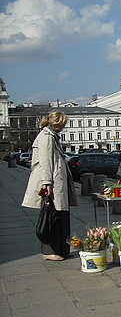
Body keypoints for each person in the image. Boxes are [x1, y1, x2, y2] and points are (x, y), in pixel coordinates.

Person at [22, 111, 78, 261]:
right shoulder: (46, 137)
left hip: (57, 181)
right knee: (53, 217)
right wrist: (47, 183)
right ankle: (50, 250)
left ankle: (62, 248)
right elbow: (45, 162)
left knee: (61, 216)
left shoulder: (52, 136)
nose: (64, 127)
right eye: (63, 124)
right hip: (53, 182)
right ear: (57, 124)